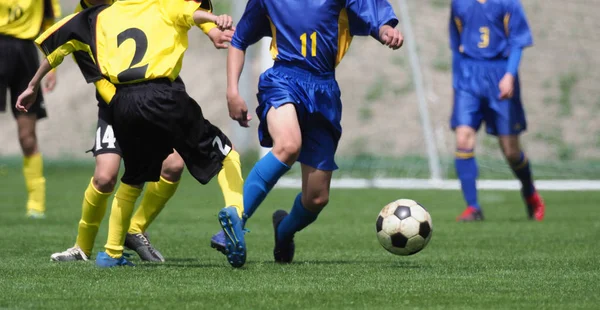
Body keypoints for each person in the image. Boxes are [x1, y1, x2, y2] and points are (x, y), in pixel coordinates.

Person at [17, 0, 245, 268]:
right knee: (106, 177)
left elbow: (184, 11)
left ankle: (120, 243)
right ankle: (83, 247)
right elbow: (187, 11)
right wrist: (213, 22)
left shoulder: (103, 15)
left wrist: (211, 30)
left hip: (128, 100)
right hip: (125, 99)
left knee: (159, 169)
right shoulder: (91, 18)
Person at [217, 0, 403, 263]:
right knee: (288, 145)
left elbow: (373, 14)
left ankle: (284, 231)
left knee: (316, 198)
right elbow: (239, 40)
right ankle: (234, 221)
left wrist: (385, 30)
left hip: (324, 92)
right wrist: (232, 91)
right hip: (283, 79)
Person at [449, 0, 545, 222]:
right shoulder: (459, 4)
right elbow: (456, 45)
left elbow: (518, 41)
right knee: (463, 139)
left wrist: (510, 74)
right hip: (468, 76)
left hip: (500, 73)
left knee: (511, 150)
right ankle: (473, 207)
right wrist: (456, 81)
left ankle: (530, 193)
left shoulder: (508, 3)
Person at [0, 0, 61, 219]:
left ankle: (36, 204)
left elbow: (49, 23)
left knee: (27, 136)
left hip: (25, 53)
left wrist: (51, 67)